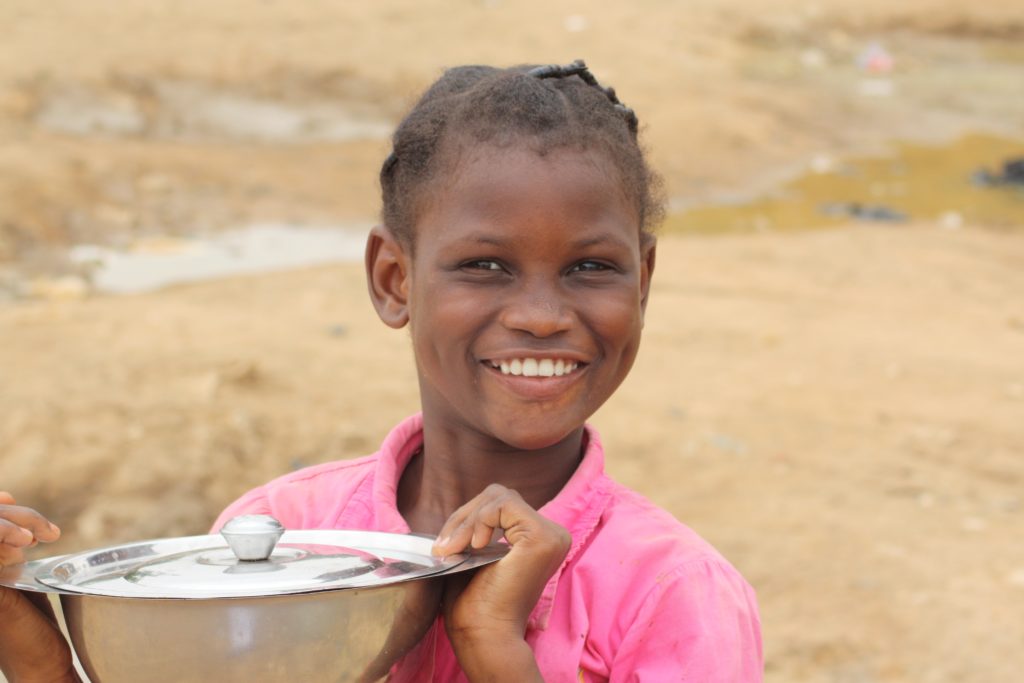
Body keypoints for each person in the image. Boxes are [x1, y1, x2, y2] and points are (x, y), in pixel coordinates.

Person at [1, 60, 762, 681]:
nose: (541, 314)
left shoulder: (672, 593)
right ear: (395, 280)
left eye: (591, 267)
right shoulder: (285, 531)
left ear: (644, 282)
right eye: (485, 264)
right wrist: (41, 666)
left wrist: (495, 645)